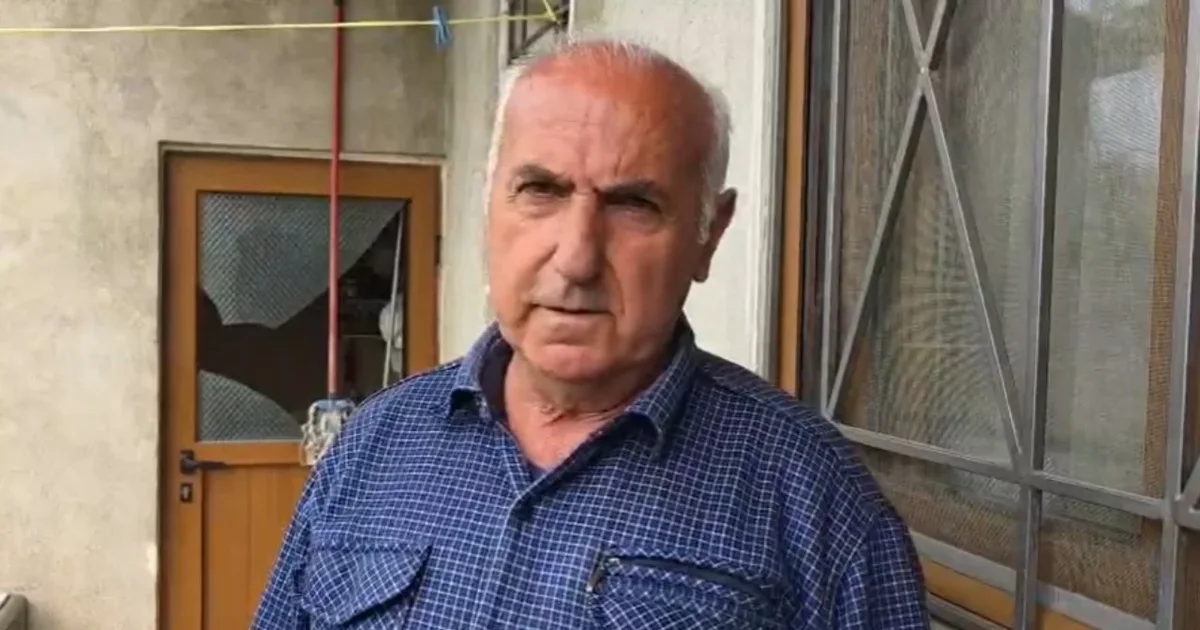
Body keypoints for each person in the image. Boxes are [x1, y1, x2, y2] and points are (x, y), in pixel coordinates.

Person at [252, 38, 928, 630]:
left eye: (634, 203)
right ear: (488, 204)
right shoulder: (374, 444)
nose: (576, 258)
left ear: (709, 234)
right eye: (541, 190)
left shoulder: (816, 497)